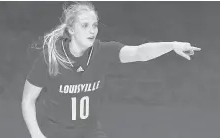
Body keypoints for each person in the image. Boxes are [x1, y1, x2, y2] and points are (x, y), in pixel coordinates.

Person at [21, 1, 201, 138]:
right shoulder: (51, 57)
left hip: (90, 133)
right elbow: (28, 100)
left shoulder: (102, 52)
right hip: (55, 133)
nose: (92, 30)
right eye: (85, 25)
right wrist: (37, 135)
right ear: (71, 29)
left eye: (95, 25)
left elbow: (140, 52)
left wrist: (172, 45)